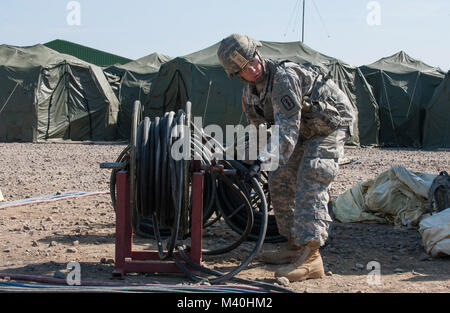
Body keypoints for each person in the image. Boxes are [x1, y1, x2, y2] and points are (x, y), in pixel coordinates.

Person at [217, 34, 356, 282]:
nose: (252, 68)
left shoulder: (284, 78)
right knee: (279, 176)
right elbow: (261, 134)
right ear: (237, 76)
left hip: (330, 124)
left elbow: (287, 130)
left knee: (310, 176)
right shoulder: (250, 96)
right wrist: (244, 160)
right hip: (305, 129)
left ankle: (312, 257)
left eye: (252, 60)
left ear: (258, 53)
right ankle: (294, 243)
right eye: (244, 68)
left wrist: (263, 159)